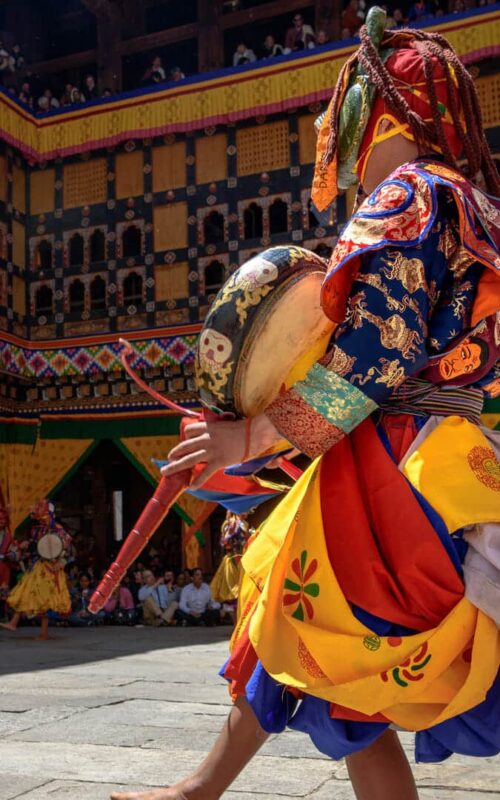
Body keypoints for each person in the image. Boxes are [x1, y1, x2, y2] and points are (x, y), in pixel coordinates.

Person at [111, 8, 500, 800]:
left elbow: (374, 357)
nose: (340, 141)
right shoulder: (473, 205)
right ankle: (200, 789)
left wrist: (252, 434)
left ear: (380, 111)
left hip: (392, 467)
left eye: (346, 114)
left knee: (313, 641)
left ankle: (200, 791)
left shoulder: (409, 198)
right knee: (317, 655)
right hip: (451, 450)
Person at [0, 500, 71, 640]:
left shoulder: (58, 530)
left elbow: (67, 551)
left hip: (51, 569)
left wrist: (61, 563)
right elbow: (35, 547)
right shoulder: (37, 529)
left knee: (44, 599)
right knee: (25, 592)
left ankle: (41, 632)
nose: (42, 518)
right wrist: (24, 546)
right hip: (37, 566)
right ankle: (15, 623)